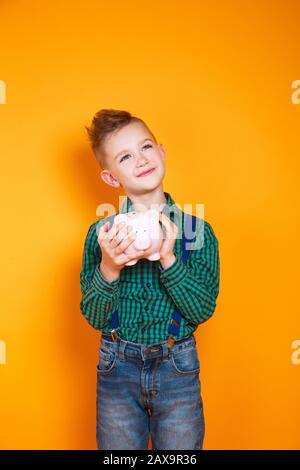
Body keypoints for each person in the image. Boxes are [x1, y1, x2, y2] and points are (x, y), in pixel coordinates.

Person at [80, 109, 220, 450]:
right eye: (125, 157)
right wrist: (110, 268)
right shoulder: (102, 235)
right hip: (117, 368)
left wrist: (168, 257)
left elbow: (201, 310)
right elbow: (94, 316)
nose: (141, 159)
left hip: (177, 367)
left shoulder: (198, 232)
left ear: (162, 152)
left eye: (145, 147)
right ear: (112, 178)